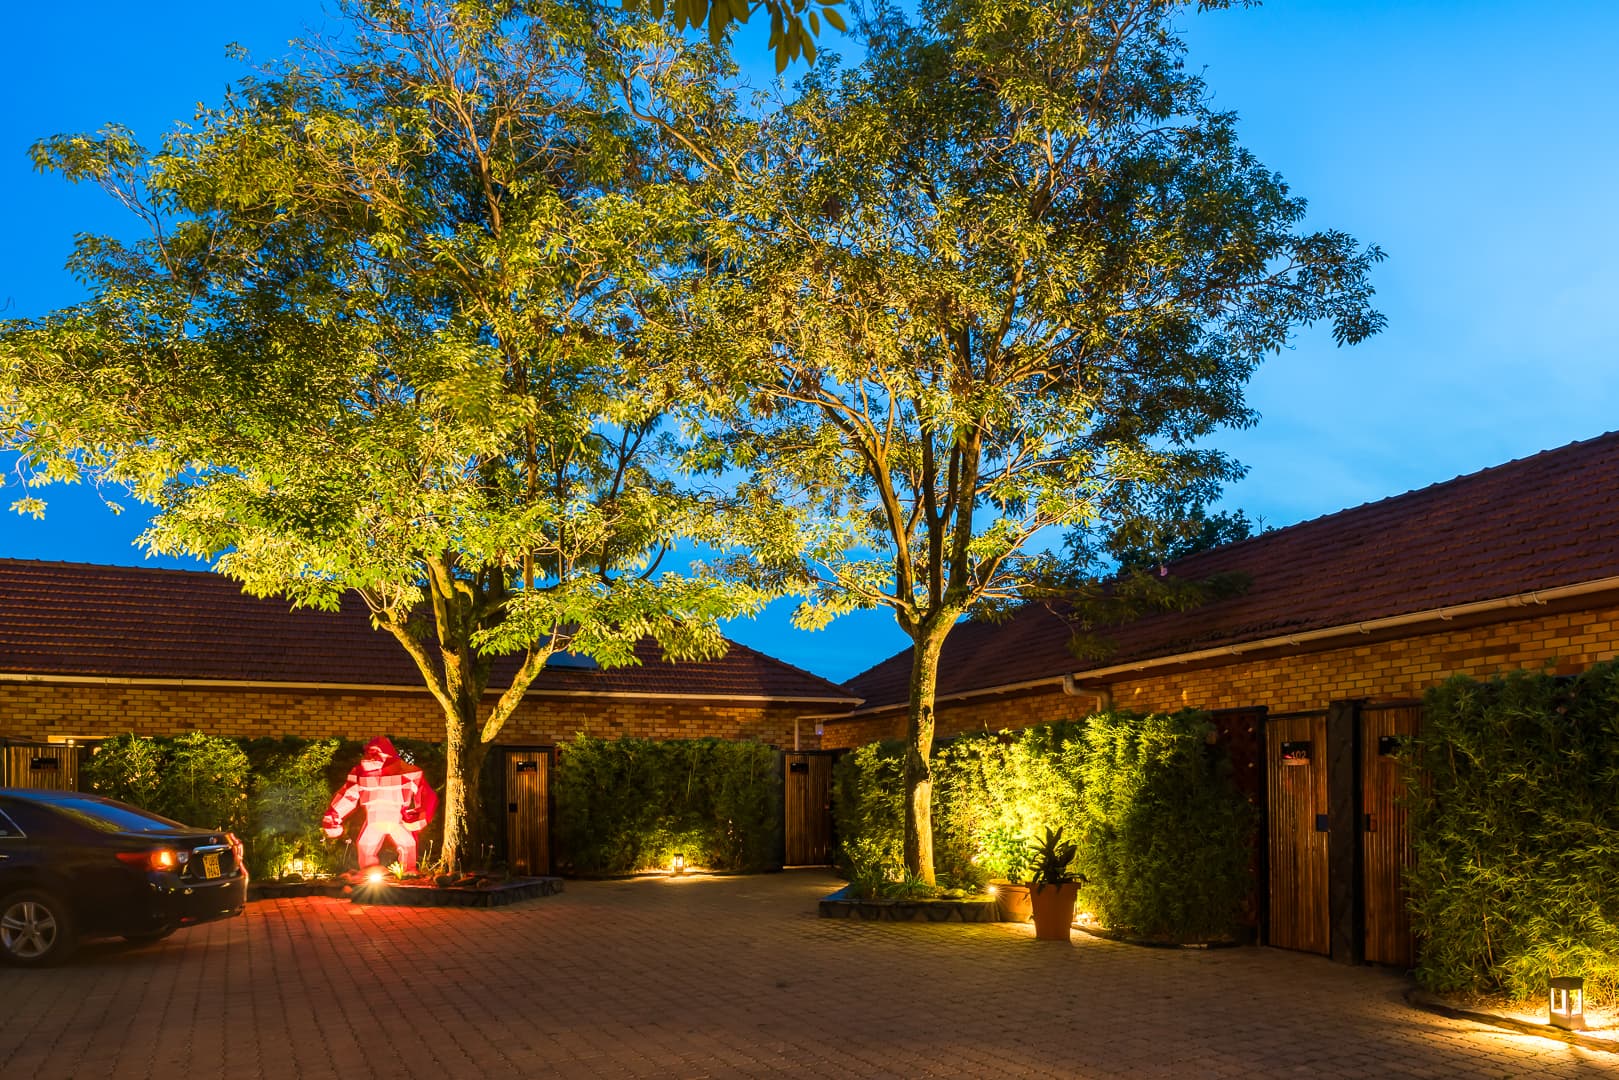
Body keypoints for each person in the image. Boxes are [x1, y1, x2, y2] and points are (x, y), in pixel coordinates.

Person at [321, 736, 438, 873]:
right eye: (369, 751)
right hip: (373, 820)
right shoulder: (359, 773)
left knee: (408, 845)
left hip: (398, 819)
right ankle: (370, 872)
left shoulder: (409, 772)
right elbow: (348, 795)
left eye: (376, 751)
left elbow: (426, 794)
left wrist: (422, 814)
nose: (371, 755)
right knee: (365, 847)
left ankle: (408, 872)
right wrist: (334, 815)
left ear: (388, 752)